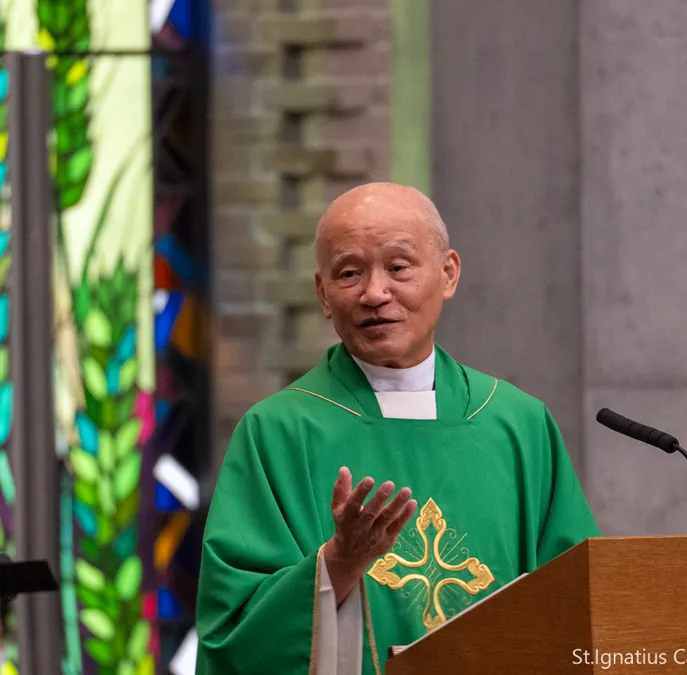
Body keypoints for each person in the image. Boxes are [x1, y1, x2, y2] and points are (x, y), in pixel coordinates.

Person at [194, 182, 600, 674]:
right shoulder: (277, 433)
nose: (374, 293)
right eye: (349, 273)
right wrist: (339, 563)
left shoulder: (517, 424)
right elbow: (234, 635)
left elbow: (582, 604)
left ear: (448, 274)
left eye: (399, 267)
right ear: (323, 294)